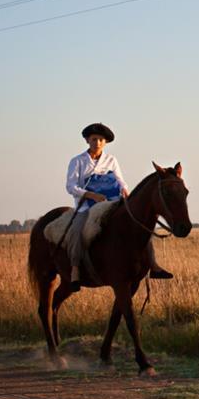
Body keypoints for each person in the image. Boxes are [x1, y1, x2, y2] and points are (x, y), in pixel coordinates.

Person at [65, 123, 172, 292]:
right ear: (87, 140)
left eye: (101, 140)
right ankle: (76, 270)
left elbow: (120, 180)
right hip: (86, 206)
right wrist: (91, 195)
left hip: (112, 203)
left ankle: (153, 265)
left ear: (105, 142)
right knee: (77, 230)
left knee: (139, 226)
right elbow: (71, 186)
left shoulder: (111, 160)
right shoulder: (77, 161)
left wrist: (125, 191)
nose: (98, 142)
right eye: (94, 139)